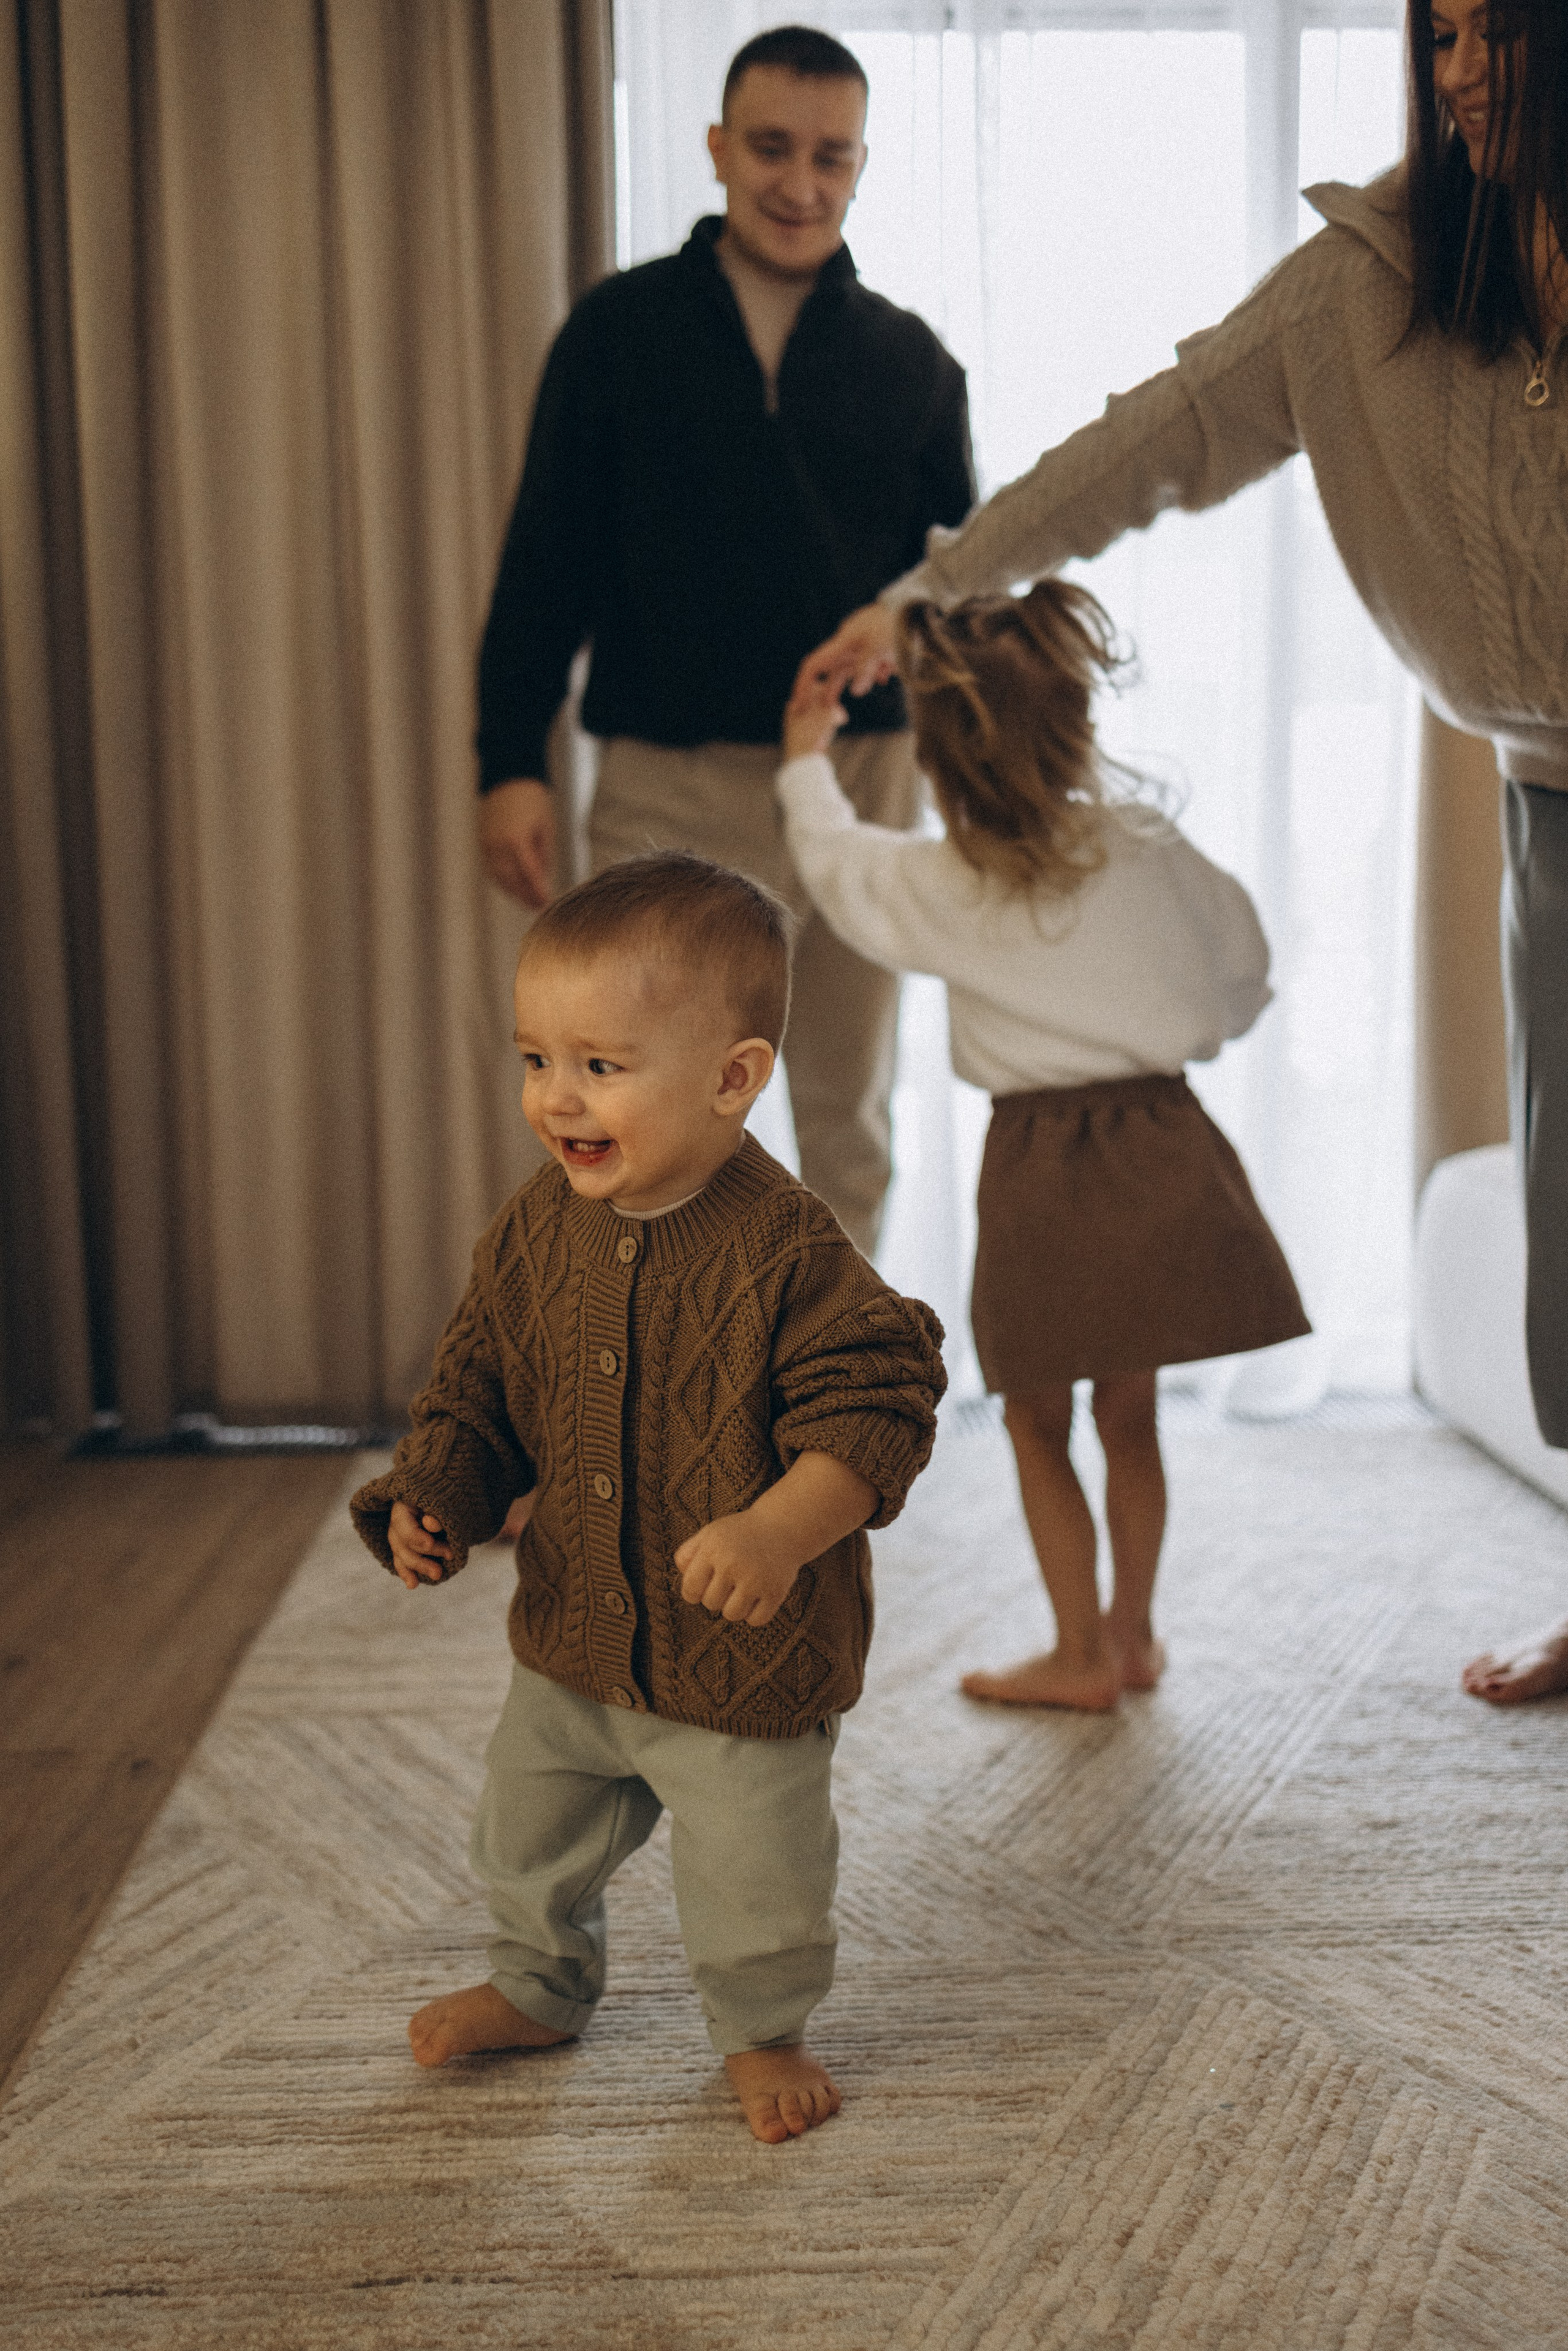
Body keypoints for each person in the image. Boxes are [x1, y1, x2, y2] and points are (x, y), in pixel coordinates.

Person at [797, 0, 1568, 1704]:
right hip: (1550, 792)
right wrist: (929, 592)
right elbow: (1145, 443)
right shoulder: (1362, 285)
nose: (1459, 70)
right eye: (1436, 35)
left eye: (1499, 31)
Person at [349, 855, 945, 2143]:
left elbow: (879, 1400)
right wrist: (436, 1493)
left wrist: (781, 1528)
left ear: (732, 1077)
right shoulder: (530, 1231)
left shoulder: (788, 1250)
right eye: (535, 1059)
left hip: (740, 1656)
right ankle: (538, 1979)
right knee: (525, 1826)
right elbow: (476, 1384)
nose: (555, 1096)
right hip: (573, 1633)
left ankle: (763, 2026)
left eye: (600, 1066)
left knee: (754, 1871)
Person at [475, 23, 973, 1259]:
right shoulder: (616, 334)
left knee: (848, 1117)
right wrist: (509, 760)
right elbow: (544, 559)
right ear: (715, 149)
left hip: (859, 782)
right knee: (633, 1123)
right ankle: (639, 1409)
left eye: (830, 156)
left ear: (857, 166)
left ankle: (837, 1409)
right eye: (769, 148)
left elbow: (953, 594)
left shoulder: (912, 361)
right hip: (663, 780)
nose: (799, 182)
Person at [778, 583, 1308, 1710]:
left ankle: (1077, 1654)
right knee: (1132, 1412)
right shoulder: (1148, 842)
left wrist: (803, 762)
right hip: (1168, 1145)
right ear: (1075, 721)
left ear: (939, 762)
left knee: (1036, 1417)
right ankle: (1134, 1635)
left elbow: (839, 869)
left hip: (1040, 1170)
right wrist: (1204, 1022)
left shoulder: (948, 876)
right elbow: (1245, 965)